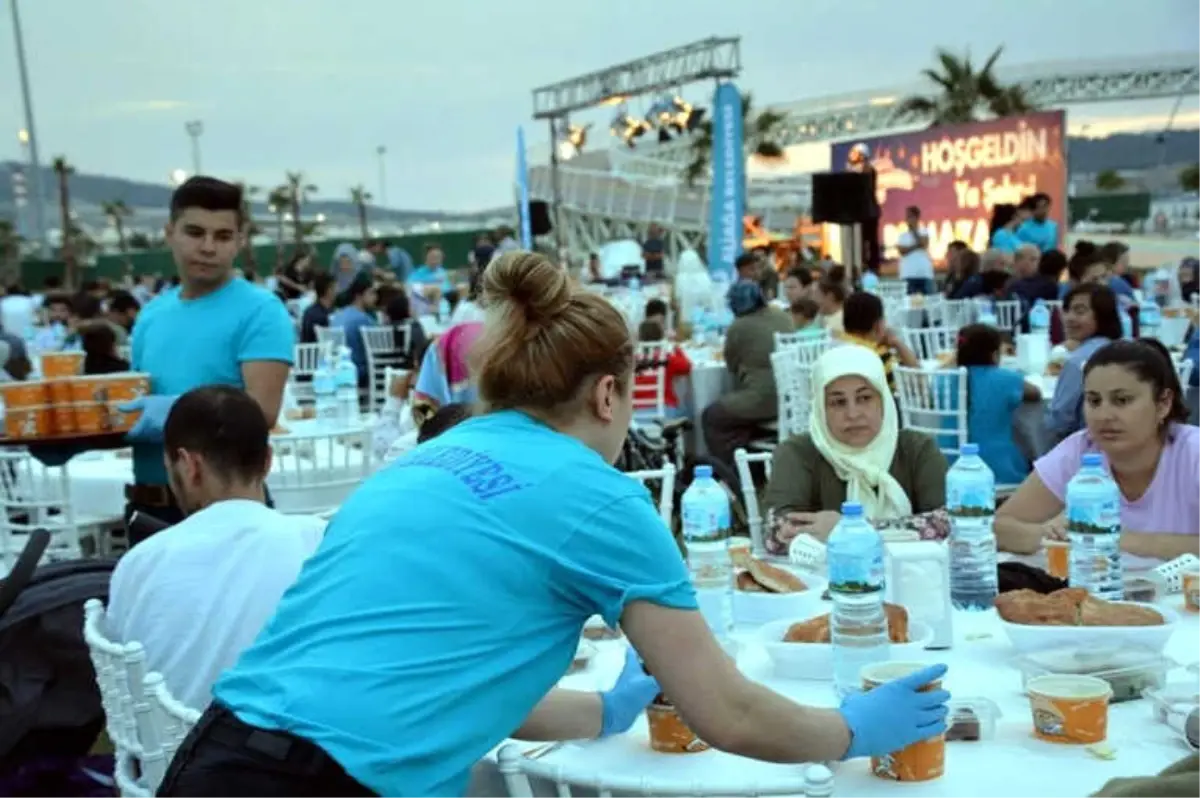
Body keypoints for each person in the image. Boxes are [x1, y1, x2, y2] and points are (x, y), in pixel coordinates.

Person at [157, 251, 950, 797]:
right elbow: (727, 712)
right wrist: (850, 730)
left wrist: (603, 712)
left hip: (218, 752)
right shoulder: (599, 495)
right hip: (331, 782)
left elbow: (446, 673)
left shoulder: (422, 461)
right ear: (609, 396)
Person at [106, 386, 324, 708]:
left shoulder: (139, 562)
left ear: (188, 465)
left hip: (171, 752)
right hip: (292, 746)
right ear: (267, 461)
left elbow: (123, 681)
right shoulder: (320, 542)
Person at [120, 177, 294, 532]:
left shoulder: (260, 310)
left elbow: (261, 411)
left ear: (240, 241)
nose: (208, 247)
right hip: (148, 506)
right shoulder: (152, 315)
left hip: (227, 512)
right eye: (195, 232)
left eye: (223, 236)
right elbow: (134, 406)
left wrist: (173, 412)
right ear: (170, 233)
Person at [997, 339, 1200, 559]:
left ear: (1163, 404)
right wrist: (1049, 535)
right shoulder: (1081, 449)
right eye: (1094, 401)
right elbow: (999, 527)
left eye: (1122, 400)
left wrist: (1116, 539)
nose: (1104, 415)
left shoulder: (1193, 453)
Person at [763, 346, 948, 542]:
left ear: (883, 401)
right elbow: (775, 533)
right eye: (838, 402)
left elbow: (951, 522)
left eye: (865, 398)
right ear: (820, 409)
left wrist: (849, 530)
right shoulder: (798, 452)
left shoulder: (916, 449)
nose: (853, 414)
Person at [700, 281, 794, 468]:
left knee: (713, 416)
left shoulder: (739, 326)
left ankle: (730, 473)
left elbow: (732, 365)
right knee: (735, 415)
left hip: (763, 400)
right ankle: (752, 466)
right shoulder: (782, 316)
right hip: (791, 399)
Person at [954, 324, 1042, 484]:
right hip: (998, 469)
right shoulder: (1005, 379)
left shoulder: (943, 380)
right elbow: (1036, 393)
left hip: (950, 466)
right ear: (994, 355)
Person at [1045, 283, 1124, 442]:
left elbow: (1059, 421)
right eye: (1067, 311)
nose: (1069, 318)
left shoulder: (1078, 362)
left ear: (1102, 315)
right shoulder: (1125, 349)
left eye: (1080, 311)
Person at [838, 291, 918, 390]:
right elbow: (916, 377)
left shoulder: (837, 345)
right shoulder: (878, 356)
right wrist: (897, 343)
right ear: (878, 325)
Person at [634, 319, 691, 418]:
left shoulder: (633, 360)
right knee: (688, 410)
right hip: (664, 412)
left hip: (636, 415)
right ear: (660, 337)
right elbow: (687, 366)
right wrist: (675, 347)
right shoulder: (665, 358)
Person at [897, 205, 936, 295]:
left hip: (924, 274)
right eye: (907, 217)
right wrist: (916, 245)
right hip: (908, 275)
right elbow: (902, 251)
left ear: (917, 217)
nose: (907, 219)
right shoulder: (902, 236)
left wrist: (914, 231)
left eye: (910, 217)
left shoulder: (924, 231)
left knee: (928, 303)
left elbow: (924, 244)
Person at [299, 273, 337, 344]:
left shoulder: (309, 311)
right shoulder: (319, 316)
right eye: (335, 288)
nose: (337, 291)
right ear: (329, 290)